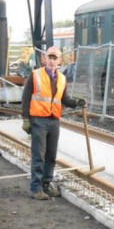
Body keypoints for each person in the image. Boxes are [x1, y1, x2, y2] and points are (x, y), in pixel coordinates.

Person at [21, 46, 86, 200]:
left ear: (59, 60)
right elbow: (25, 98)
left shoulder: (62, 78)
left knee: (51, 155)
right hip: (39, 120)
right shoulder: (35, 75)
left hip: (54, 121)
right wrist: (25, 119)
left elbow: (64, 99)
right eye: (49, 57)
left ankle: (45, 185)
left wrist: (76, 102)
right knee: (39, 155)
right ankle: (35, 188)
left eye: (54, 58)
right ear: (45, 59)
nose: (51, 60)